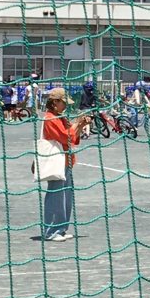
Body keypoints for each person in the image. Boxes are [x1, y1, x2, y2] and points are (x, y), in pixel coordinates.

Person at [40, 88, 90, 241]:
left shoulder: (60, 117)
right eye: (63, 102)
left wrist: (80, 125)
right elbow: (64, 136)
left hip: (65, 161)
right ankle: (50, 231)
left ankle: (61, 229)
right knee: (55, 195)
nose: (66, 106)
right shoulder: (50, 118)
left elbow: (73, 139)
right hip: (56, 161)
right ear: (55, 102)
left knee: (65, 197)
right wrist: (76, 124)